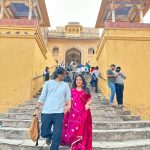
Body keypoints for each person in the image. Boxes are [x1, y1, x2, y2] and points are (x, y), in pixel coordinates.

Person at [34, 67, 71, 150]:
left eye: (65, 74)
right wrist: (37, 108)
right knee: (44, 133)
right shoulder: (48, 83)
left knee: (57, 135)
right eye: (62, 74)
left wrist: (69, 105)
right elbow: (42, 97)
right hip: (46, 112)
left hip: (59, 113)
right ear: (57, 74)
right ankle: (49, 136)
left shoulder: (65, 85)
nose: (64, 76)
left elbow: (68, 97)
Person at [61, 75, 92, 150]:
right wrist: (66, 107)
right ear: (75, 81)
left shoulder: (86, 90)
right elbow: (68, 100)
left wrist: (88, 104)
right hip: (72, 112)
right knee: (72, 126)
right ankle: (71, 140)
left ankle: (77, 142)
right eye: (77, 80)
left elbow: (90, 99)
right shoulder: (71, 90)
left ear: (83, 81)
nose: (78, 81)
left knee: (80, 127)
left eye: (80, 80)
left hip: (82, 112)